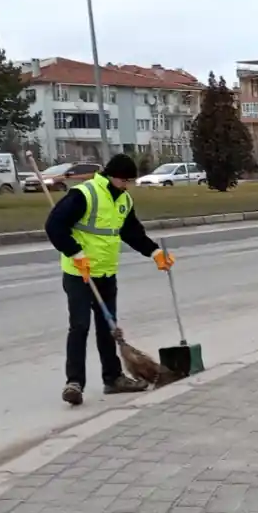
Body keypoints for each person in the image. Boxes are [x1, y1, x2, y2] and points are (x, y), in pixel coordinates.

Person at [45, 153, 176, 407]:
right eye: (124, 180)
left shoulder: (124, 200)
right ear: (112, 176)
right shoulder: (85, 194)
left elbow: (131, 232)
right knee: (80, 326)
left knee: (108, 328)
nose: (127, 186)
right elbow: (54, 225)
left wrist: (154, 251)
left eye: (129, 182)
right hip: (79, 273)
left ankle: (113, 378)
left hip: (105, 272)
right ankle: (74, 383)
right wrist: (74, 252)